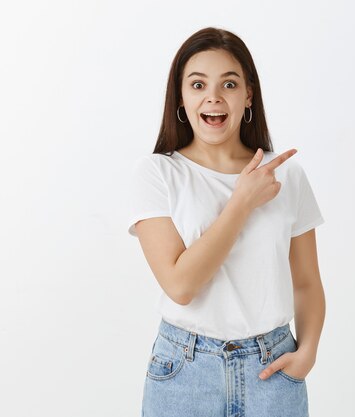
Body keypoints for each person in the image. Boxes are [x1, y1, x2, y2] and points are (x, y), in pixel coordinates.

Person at [126, 27, 325, 417]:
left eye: (229, 84)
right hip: (185, 373)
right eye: (198, 84)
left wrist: (309, 352)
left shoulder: (285, 174)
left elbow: (306, 281)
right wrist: (241, 203)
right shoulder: (157, 173)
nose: (213, 97)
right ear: (181, 98)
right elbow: (181, 285)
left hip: (273, 371)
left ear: (248, 94)